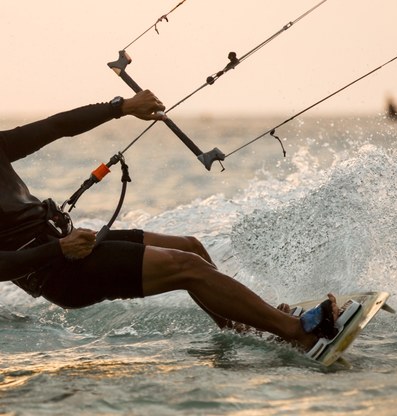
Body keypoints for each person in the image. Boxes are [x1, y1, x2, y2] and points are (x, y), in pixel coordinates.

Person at [0, 90, 338, 353]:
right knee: (187, 267)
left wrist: (121, 107)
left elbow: (56, 126)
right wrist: (59, 250)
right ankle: (296, 333)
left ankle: (248, 329)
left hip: (66, 246)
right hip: (58, 271)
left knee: (191, 247)